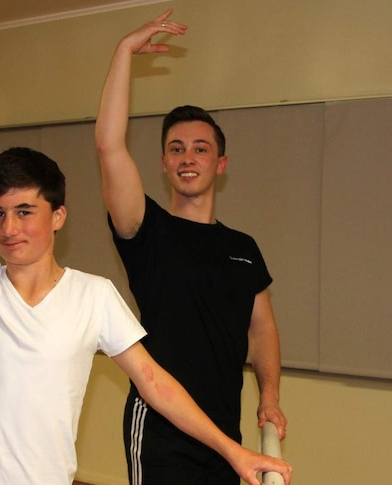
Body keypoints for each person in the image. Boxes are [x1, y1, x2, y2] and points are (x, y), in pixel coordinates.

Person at [0, 29, 291, 485]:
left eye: (23, 212)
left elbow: (156, 384)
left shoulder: (93, 296)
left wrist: (234, 451)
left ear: (58, 217)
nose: (8, 228)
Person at [95, 9, 289, 485]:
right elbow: (108, 145)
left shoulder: (243, 247)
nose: (188, 157)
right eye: (177, 148)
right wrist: (124, 52)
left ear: (220, 163)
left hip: (224, 431)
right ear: (163, 162)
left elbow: (261, 331)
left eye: (200, 148)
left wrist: (270, 396)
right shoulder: (147, 230)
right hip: (160, 431)